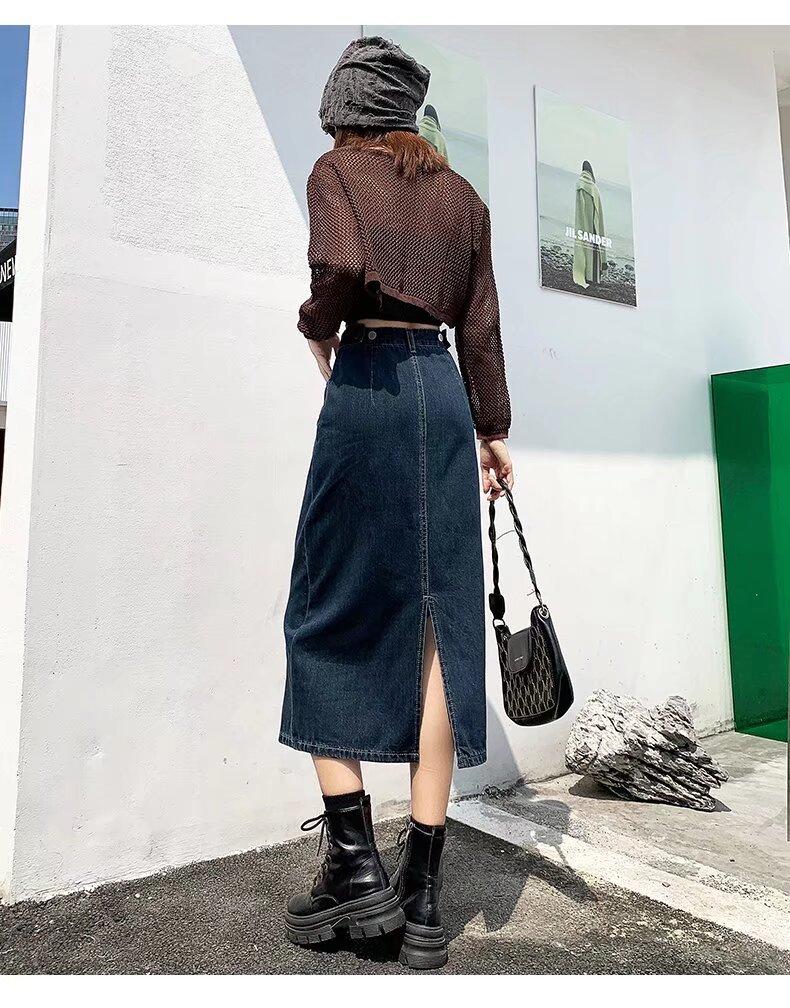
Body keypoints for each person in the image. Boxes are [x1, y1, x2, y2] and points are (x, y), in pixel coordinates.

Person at [279, 36, 512, 970]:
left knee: (323, 611)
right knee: (439, 625)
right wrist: (491, 429)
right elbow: (482, 323)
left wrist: (316, 326)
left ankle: (354, 862)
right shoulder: (464, 197)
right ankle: (420, 896)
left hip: (370, 387)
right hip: (443, 392)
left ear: (347, 111)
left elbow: (337, 265)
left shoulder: (335, 173)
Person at [572, 159, 608, 288]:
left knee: (583, 248)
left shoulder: (578, 184)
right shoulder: (593, 187)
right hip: (592, 223)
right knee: (594, 250)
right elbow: (598, 211)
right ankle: (593, 278)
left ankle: (585, 274)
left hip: (582, 222)